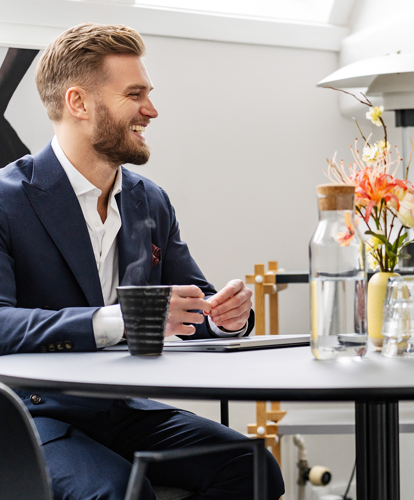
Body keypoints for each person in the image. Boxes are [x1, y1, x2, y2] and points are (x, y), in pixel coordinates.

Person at [0, 23, 284, 500]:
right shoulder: (7, 199)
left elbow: (194, 300)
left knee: (252, 467)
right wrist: (125, 320)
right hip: (34, 414)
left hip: (124, 409)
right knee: (117, 493)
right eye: (135, 95)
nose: (151, 110)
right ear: (78, 103)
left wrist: (228, 317)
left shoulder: (150, 200)